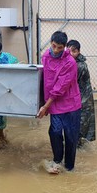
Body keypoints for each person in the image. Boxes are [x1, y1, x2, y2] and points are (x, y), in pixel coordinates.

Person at [37, 31, 82, 174]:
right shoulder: (45, 56)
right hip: (54, 104)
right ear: (51, 43)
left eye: (60, 48)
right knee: (55, 132)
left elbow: (60, 87)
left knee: (71, 136)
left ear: (65, 47)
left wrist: (45, 106)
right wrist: (41, 104)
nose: (56, 50)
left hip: (70, 105)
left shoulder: (70, 62)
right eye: (54, 46)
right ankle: (57, 161)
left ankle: (69, 167)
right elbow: (44, 81)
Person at [67, 40, 96, 147]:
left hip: (83, 100)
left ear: (78, 52)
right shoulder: (73, 62)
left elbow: (69, 82)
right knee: (79, 124)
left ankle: (78, 147)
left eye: (74, 51)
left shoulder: (80, 65)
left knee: (80, 124)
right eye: (69, 51)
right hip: (79, 98)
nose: (71, 54)